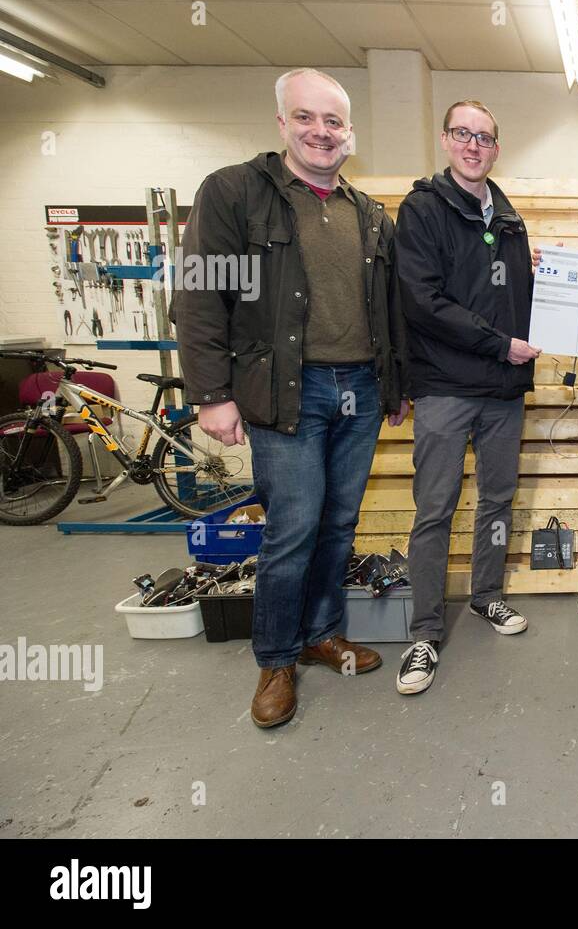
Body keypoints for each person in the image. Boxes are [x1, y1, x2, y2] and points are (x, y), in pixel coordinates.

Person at [174, 68, 409, 729]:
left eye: (333, 121)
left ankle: (322, 632)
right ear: (282, 123)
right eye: (306, 117)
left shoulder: (367, 214)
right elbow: (198, 297)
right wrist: (212, 394)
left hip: (359, 387)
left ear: (350, 134)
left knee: (337, 523)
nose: (320, 131)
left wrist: (394, 384)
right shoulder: (235, 194)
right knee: (293, 528)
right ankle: (276, 659)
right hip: (288, 391)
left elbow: (389, 306)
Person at [394, 100, 537, 697]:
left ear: (497, 147)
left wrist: (540, 278)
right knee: (435, 508)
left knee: (497, 502)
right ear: (447, 140)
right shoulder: (423, 209)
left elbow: (511, 297)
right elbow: (422, 302)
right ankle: (424, 632)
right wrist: (499, 343)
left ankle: (487, 597)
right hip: (446, 386)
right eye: (463, 134)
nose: (474, 145)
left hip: (502, 391)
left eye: (485, 137)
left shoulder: (508, 218)